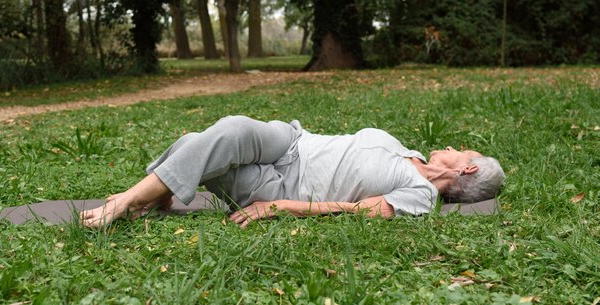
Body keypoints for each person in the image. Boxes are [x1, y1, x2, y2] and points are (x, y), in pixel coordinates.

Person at [80, 115, 505, 228]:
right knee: (231, 129)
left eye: (459, 149)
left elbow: (361, 212)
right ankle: (142, 196)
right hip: (292, 141)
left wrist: (281, 206)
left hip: (284, 184)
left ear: (466, 167)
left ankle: (132, 199)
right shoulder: (410, 151)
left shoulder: (422, 196)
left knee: (197, 141)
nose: (450, 146)